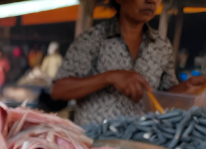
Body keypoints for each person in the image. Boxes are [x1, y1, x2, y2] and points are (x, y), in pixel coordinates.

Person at [51, 0, 206, 126]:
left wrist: (187, 88)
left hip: (141, 147)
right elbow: (58, 90)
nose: (151, 1)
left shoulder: (162, 47)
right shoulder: (91, 40)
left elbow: (162, 100)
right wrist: (109, 77)